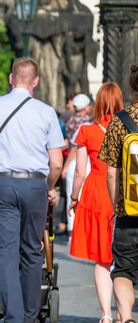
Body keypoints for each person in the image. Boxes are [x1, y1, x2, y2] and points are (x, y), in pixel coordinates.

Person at [0, 58, 64, 323]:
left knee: (6, 253)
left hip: (1, 183)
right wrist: (49, 185)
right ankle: (31, 319)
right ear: (35, 81)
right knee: (32, 251)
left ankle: (12, 320)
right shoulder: (46, 113)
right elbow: (56, 162)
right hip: (34, 184)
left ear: (11, 78)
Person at [68, 82, 122, 323]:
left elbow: (79, 171)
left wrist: (74, 197)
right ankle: (124, 312)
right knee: (122, 257)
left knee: (102, 259)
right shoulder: (128, 128)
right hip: (125, 192)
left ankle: (106, 315)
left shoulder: (87, 131)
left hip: (97, 193)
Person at [98, 66, 138, 323]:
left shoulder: (119, 121)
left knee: (123, 270)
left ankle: (125, 320)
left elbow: (111, 172)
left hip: (130, 210)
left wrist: (117, 206)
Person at [62, 93, 93, 239]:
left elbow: (70, 145)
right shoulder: (88, 123)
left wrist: (65, 166)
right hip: (84, 163)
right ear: (86, 107)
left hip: (74, 162)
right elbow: (75, 148)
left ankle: (72, 232)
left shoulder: (69, 121)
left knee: (72, 197)